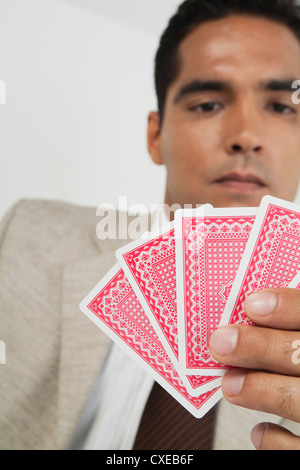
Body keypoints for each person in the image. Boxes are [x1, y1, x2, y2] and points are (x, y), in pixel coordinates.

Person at [1, 0, 300, 450]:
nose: (246, 135)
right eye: (209, 103)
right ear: (155, 136)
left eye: (281, 107)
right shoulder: (28, 233)